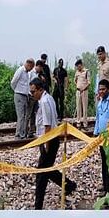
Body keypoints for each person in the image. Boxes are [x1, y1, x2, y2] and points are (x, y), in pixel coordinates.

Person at [30, 77, 76, 209]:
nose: (32, 95)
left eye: (33, 92)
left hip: (48, 141)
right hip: (51, 139)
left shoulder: (44, 102)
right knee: (48, 170)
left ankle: (38, 206)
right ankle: (69, 185)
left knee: (41, 174)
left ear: (40, 89)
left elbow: (47, 127)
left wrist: (46, 146)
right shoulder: (49, 98)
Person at [10, 59, 35, 139]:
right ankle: (20, 135)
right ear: (28, 65)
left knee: (24, 116)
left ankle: (21, 133)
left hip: (25, 95)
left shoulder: (27, 73)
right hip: (19, 95)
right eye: (31, 67)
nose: (31, 69)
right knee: (21, 116)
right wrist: (17, 90)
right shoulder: (20, 70)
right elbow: (13, 82)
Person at [73, 59, 90, 128]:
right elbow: (75, 81)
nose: (77, 67)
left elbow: (89, 82)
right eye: (76, 66)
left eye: (78, 66)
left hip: (84, 91)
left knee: (84, 107)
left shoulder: (86, 71)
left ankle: (85, 123)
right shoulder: (77, 72)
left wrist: (83, 88)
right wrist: (78, 87)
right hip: (78, 91)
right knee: (78, 107)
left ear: (81, 65)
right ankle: (78, 122)